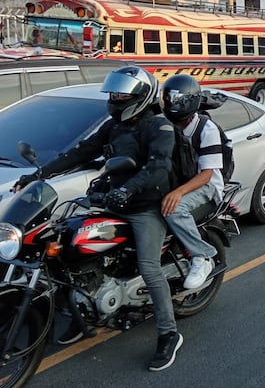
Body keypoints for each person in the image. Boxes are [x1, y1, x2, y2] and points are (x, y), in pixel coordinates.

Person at [13, 65, 183, 371]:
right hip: (113, 201)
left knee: (149, 266)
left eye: (122, 94)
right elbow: (79, 152)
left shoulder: (159, 127)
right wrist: (39, 173)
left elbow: (158, 167)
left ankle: (168, 333)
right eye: (113, 93)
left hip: (146, 206)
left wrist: (129, 190)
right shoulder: (114, 126)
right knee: (68, 245)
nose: (115, 99)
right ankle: (86, 311)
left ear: (141, 96)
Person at [160, 74, 220, 290]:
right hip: (179, 182)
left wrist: (178, 193)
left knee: (173, 210)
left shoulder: (206, 129)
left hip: (207, 186)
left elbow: (206, 175)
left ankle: (201, 256)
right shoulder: (166, 124)